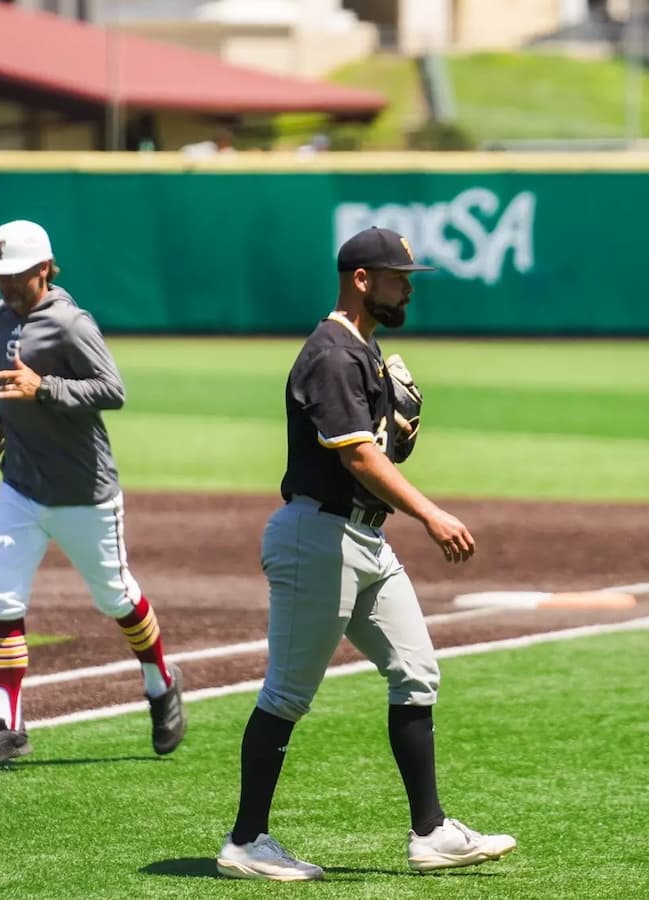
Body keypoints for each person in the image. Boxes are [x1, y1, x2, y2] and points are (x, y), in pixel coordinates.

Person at [215, 227, 516, 880]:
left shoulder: (365, 352)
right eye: (398, 277)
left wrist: (396, 434)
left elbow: (373, 451)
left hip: (365, 540)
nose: (408, 288)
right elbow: (355, 457)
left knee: (417, 671)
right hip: (318, 537)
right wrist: (431, 513)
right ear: (361, 279)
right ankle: (245, 841)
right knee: (288, 693)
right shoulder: (332, 353)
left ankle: (430, 832)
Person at [0, 219, 186, 767]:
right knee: (2, 600)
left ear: (43, 269)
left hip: (84, 490)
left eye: (15, 274)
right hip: (21, 486)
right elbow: (11, 384)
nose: (6, 285)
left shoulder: (69, 322)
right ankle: (6, 726)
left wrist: (45, 388)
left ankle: (161, 681)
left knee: (116, 598)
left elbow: (113, 390)